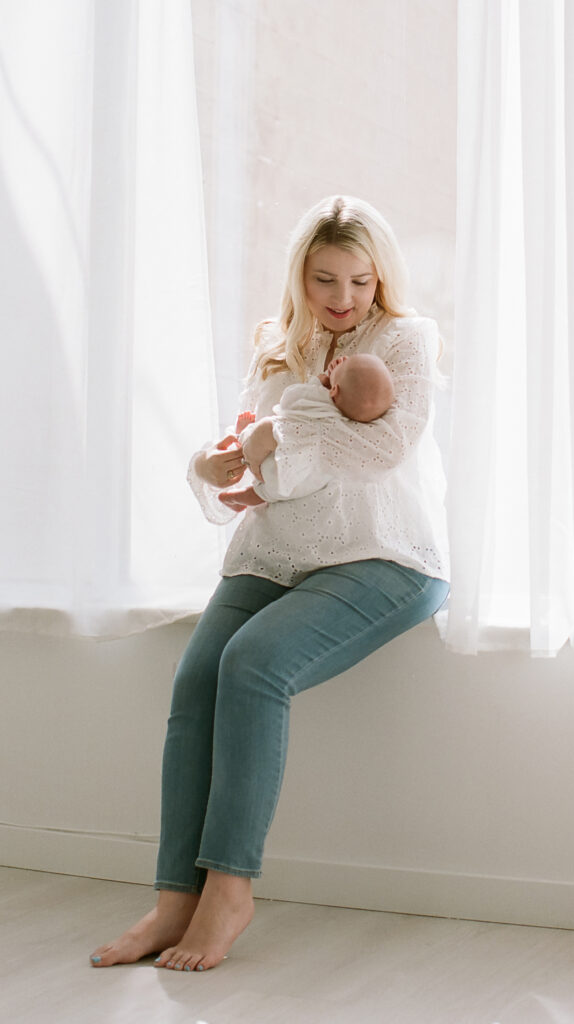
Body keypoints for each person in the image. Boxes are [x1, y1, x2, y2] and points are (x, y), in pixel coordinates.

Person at [89, 195, 449, 973]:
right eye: (324, 279)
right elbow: (257, 467)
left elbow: (380, 451)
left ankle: (228, 888)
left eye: (359, 279)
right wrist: (219, 464)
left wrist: (274, 441)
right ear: (300, 276)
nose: (343, 297)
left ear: (381, 276)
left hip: (380, 553)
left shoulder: (407, 341)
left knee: (253, 666)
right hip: (276, 551)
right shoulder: (277, 345)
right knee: (196, 682)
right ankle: (171, 901)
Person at [230, 352, 396, 507]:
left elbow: (289, 400)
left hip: (276, 455)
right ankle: (248, 495)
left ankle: (241, 435)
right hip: (302, 480)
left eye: (344, 364)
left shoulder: (318, 399)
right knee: (269, 492)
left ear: (334, 390)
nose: (342, 360)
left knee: (265, 428)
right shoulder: (349, 426)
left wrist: (318, 381)